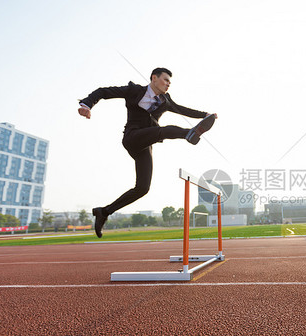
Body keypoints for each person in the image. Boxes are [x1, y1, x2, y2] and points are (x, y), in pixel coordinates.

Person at [78, 67, 216, 238]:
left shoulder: (165, 101)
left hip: (146, 144)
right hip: (132, 137)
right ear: (154, 78)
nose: (168, 84)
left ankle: (104, 211)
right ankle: (189, 133)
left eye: (170, 82)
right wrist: (87, 104)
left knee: (143, 188)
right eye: (165, 80)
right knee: (163, 131)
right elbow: (104, 92)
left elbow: (182, 109)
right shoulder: (134, 90)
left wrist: (205, 115)